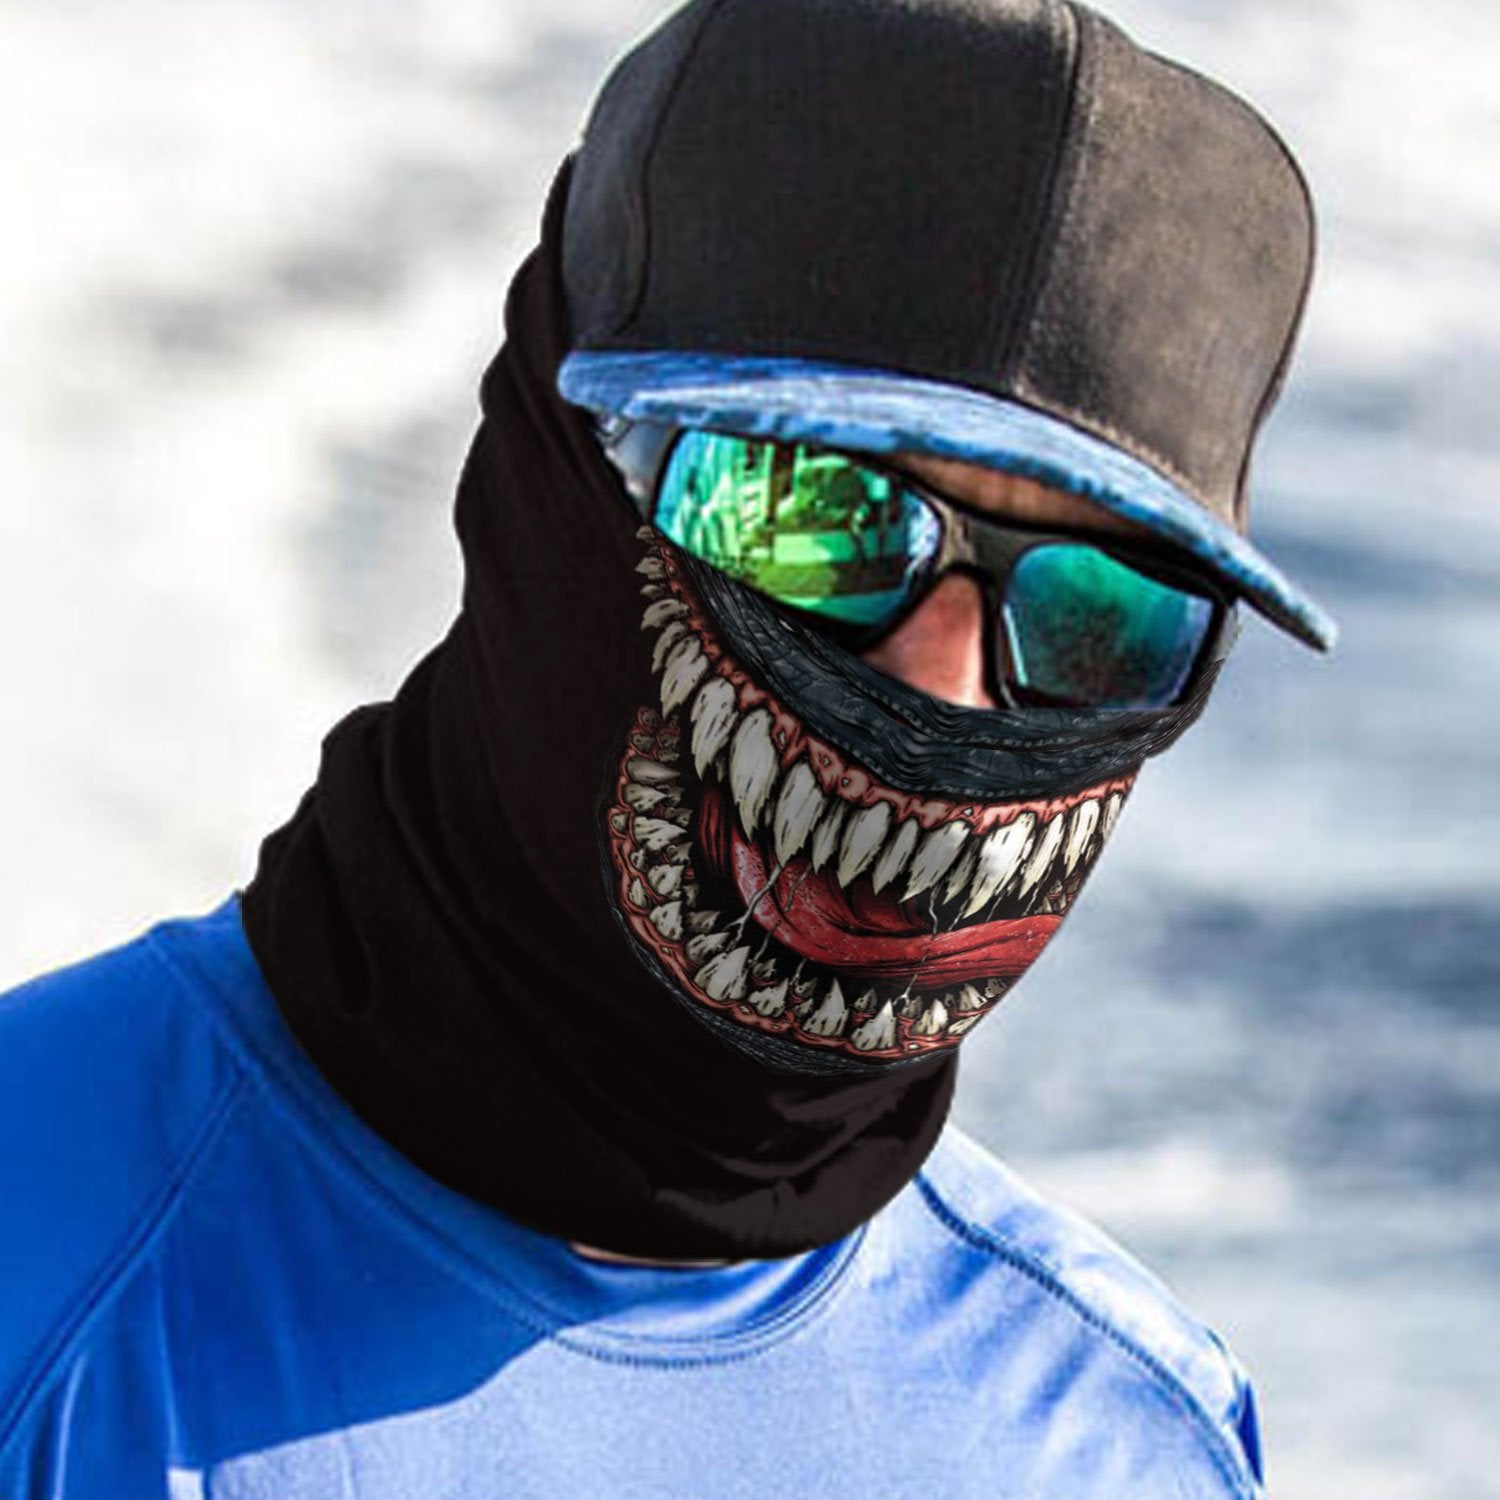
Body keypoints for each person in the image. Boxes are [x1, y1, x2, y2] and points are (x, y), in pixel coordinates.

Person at [0, 0, 1335, 1495]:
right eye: (811, 513)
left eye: (1104, 614)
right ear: (549, 471)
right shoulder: (34, 1258)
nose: (949, 693)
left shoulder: (1127, 1441)